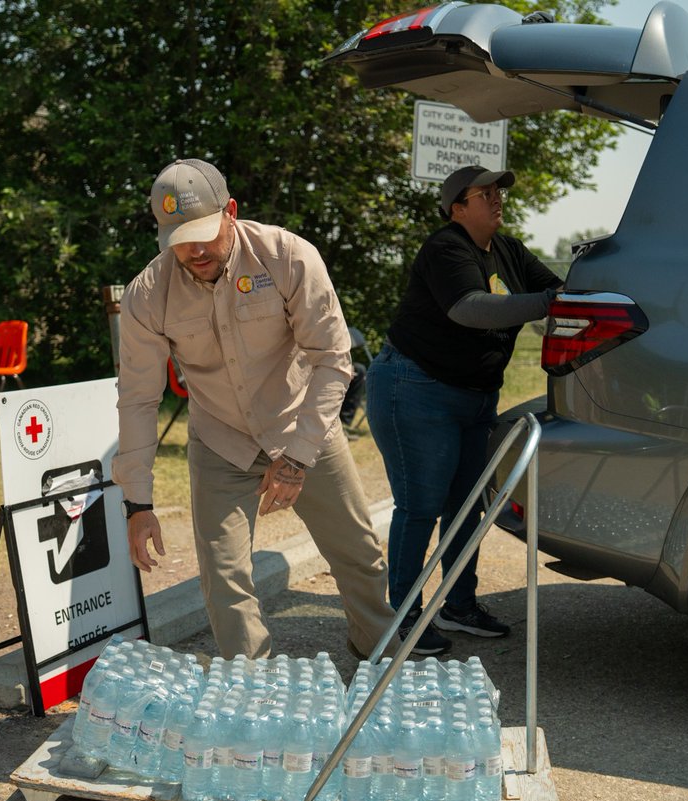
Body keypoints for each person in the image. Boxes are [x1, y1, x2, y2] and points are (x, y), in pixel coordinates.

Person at [112, 158, 398, 661]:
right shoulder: (147, 294)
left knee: (358, 555)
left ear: (232, 212)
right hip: (221, 439)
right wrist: (138, 504)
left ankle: (378, 661)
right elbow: (138, 398)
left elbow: (333, 362)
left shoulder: (288, 257)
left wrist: (297, 459)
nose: (195, 250)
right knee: (224, 577)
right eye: (179, 238)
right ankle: (251, 693)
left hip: (301, 425)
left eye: (203, 232)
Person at [365, 166, 562, 656]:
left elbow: (560, 290)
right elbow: (470, 308)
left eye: (498, 192)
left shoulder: (510, 250)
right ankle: (404, 617)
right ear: (457, 208)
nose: (497, 199)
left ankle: (458, 606)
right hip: (415, 388)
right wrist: (546, 303)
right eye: (485, 193)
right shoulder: (445, 247)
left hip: (475, 396)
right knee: (421, 507)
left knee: (466, 506)